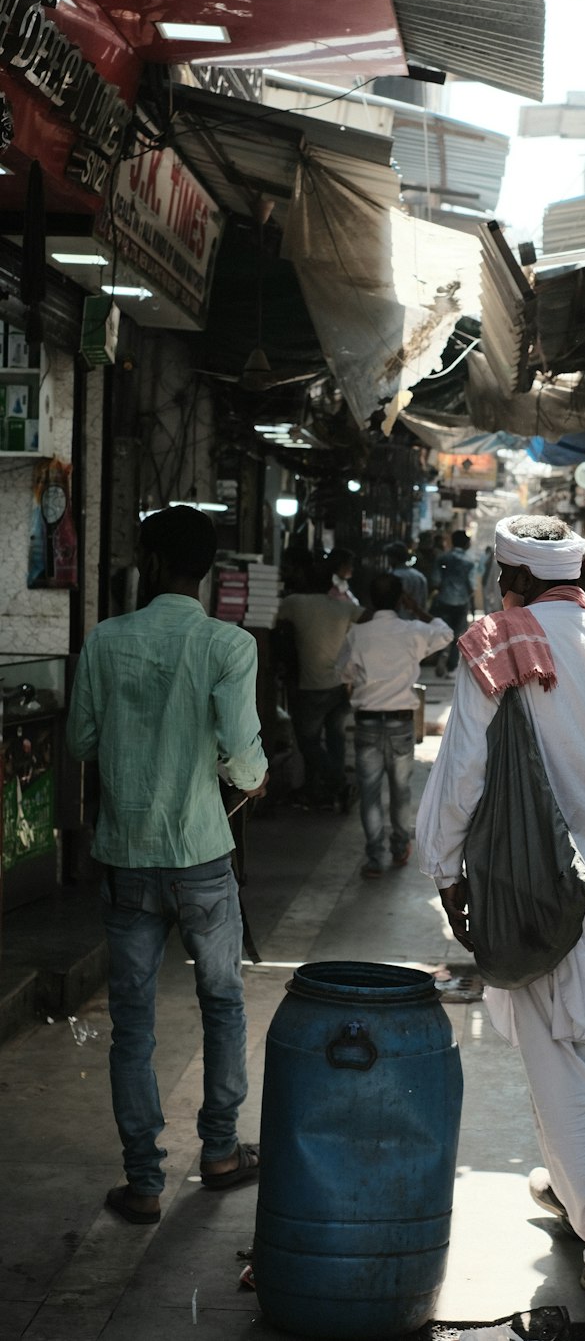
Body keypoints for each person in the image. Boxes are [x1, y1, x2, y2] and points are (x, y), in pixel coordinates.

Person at [416, 515, 585, 1312]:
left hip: (542, 899)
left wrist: (443, 867)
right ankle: (576, 1196)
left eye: (504, 580)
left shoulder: (497, 644)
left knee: (564, 1064)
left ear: (517, 581)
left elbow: (462, 767)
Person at [66, 506, 268, 1225]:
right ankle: (219, 1152)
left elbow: (83, 741)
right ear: (208, 569)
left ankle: (144, 1182)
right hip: (203, 859)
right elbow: (245, 763)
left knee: (133, 1023)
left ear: (149, 563)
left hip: (126, 858)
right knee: (222, 1004)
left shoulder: (104, 641)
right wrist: (241, 771)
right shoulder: (229, 645)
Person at [338, 572, 451, 879]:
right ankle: (400, 847)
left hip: (368, 722)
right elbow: (445, 633)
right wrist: (417, 610)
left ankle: (375, 856)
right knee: (400, 791)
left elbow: (343, 673)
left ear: (371, 599)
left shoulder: (358, 634)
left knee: (370, 792)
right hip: (401, 723)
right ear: (402, 598)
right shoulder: (413, 630)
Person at [277, 557, 363, 809]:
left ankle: (336, 783)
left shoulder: (295, 603)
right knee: (335, 739)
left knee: (308, 742)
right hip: (339, 686)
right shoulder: (344, 608)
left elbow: (271, 621)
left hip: (312, 687)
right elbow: (371, 618)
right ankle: (330, 790)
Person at [431, 528, 478, 675]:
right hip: (462, 601)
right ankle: (451, 665)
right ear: (465, 544)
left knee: (443, 630)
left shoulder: (443, 559)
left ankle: (442, 654)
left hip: (444, 599)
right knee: (458, 633)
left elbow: (435, 581)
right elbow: (472, 586)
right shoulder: (469, 562)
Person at [386, 540, 428, 619]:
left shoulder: (393, 576)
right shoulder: (419, 576)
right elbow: (423, 602)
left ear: (393, 558)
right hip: (416, 622)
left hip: (398, 622)